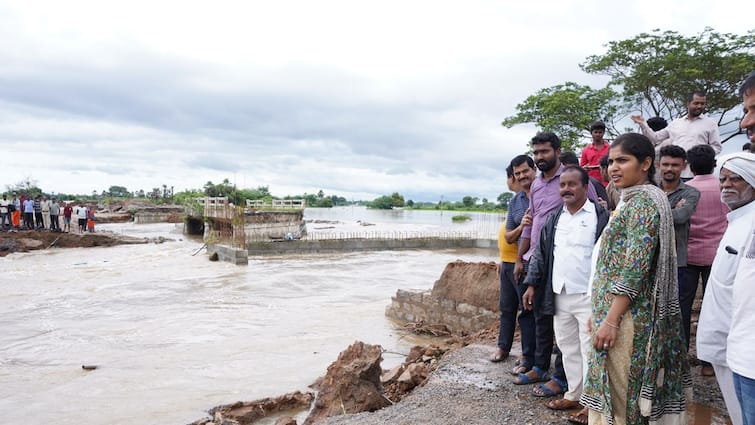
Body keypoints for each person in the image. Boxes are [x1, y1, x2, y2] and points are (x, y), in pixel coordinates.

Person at [581, 133, 691, 425]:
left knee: (623, 402)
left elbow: (634, 269)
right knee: (617, 398)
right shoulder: (630, 200)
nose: (614, 168)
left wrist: (611, 320)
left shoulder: (643, 203)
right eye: (611, 161)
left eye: (623, 160)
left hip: (629, 319)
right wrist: (600, 312)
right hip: (616, 312)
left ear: (645, 163)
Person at [522, 165, 609, 422]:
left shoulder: (600, 216)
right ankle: (574, 394)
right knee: (568, 348)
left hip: (589, 296)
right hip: (559, 294)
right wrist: (531, 284)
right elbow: (540, 253)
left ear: (585, 187)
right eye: (562, 185)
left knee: (589, 350)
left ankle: (593, 406)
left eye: (572, 184)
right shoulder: (555, 218)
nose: (566, 189)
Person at [513, 132, 598, 395]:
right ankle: (544, 370)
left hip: (573, 270)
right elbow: (532, 223)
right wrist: (520, 257)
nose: (540, 157)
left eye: (544, 152)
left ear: (557, 151)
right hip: (539, 262)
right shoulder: (536, 185)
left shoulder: (578, 182)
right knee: (543, 320)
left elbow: (593, 219)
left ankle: (565, 382)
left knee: (576, 334)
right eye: (536, 152)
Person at [683, 144, 729, 377]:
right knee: (715, 308)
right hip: (718, 255)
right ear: (714, 163)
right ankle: (710, 362)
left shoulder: (686, 189)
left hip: (689, 255)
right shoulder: (723, 188)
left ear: (689, 166)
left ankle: (680, 358)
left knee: (683, 308)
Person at [491, 158, 536, 369]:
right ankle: (503, 347)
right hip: (509, 263)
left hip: (529, 262)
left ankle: (528, 355)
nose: (520, 177)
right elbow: (509, 236)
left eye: (524, 172)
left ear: (533, 170)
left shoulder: (542, 194)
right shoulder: (515, 201)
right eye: (517, 173)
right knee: (506, 308)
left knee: (527, 311)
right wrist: (521, 227)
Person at [631, 91, 722, 179]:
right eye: (696, 103)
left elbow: (717, 147)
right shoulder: (676, 123)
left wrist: (701, 156)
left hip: (697, 174)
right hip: (675, 173)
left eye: (702, 104)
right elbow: (656, 138)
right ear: (688, 104)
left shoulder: (710, 123)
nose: (699, 106)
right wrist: (643, 124)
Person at [658, 145, 700, 294]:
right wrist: (673, 210)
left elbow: (682, 216)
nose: (670, 168)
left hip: (676, 260)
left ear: (683, 166)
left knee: (675, 308)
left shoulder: (691, 192)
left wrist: (653, 212)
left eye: (675, 165)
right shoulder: (649, 189)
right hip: (650, 260)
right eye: (666, 164)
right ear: (658, 165)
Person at [580, 121, 610, 186]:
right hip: (592, 183)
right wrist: (585, 168)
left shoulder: (610, 148)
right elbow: (581, 168)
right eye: (595, 132)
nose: (598, 134)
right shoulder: (586, 150)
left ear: (603, 133)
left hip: (608, 182)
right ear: (591, 133)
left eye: (600, 132)